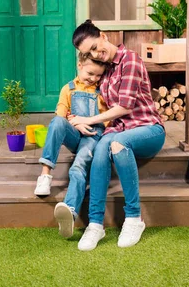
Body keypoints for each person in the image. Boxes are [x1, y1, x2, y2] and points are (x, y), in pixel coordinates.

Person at [69, 19, 166, 251]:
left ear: (103, 35)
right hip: (119, 130)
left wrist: (88, 120)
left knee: (117, 144)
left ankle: (134, 218)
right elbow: (83, 90)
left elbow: (125, 107)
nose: (95, 54)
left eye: (94, 47)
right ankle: (95, 224)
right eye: (87, 53)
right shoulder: (105, 69)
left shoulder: (129, 60)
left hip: (148, 129)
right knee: (102, 146)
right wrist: (74, 119)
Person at [34, 53, 108, 238]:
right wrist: (75, 123)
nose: (94, 79)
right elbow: (61, 112)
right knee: (57, 122)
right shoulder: (68, 89)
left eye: (99, 76)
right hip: (76, 134)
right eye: (90, 73)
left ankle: (70, 211)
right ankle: (45, 175)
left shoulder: (102, 91)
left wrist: (87, 122)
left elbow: (107, 118)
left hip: (92, 137)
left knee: (78, 167)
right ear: (80, 65)